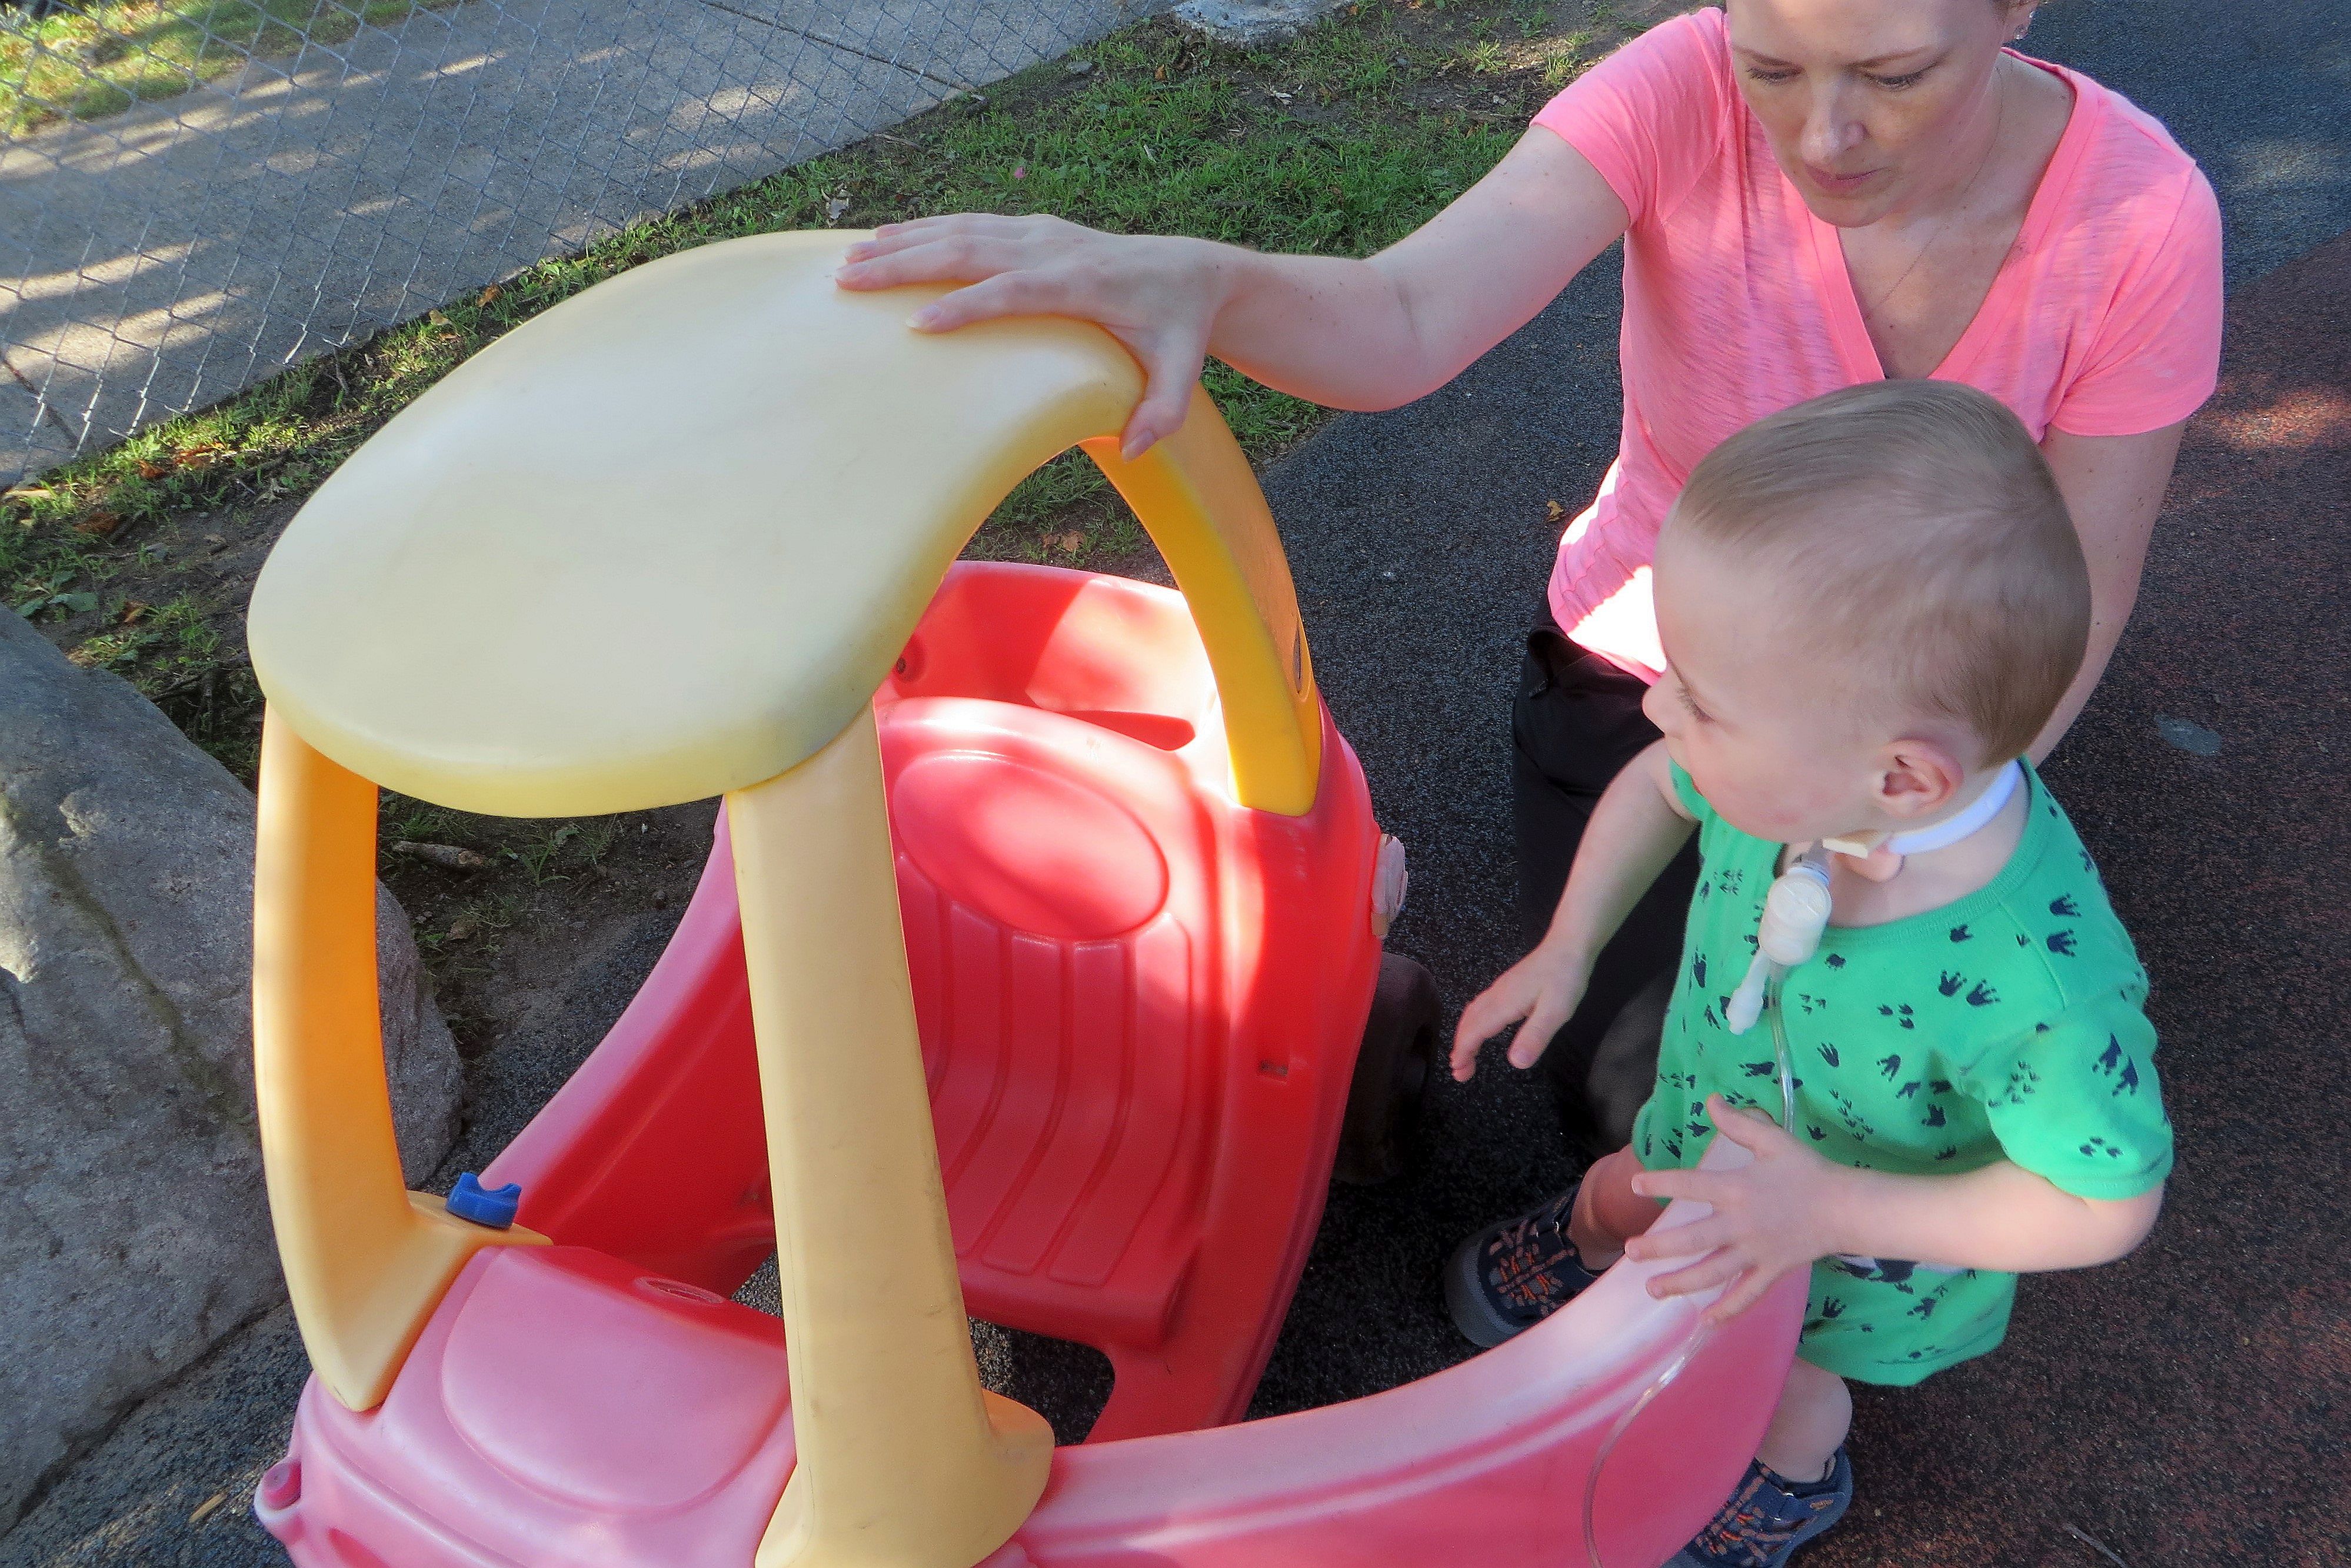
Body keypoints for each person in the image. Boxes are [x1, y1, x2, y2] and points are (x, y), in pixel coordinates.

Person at [834, 0, 2223, 1149]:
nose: (1822, 135)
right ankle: (1623, 1224)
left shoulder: (2141, 219)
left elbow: (2082, 588)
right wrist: (1210, 280)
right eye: (1773, 67)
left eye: (1897, 75)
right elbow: (1406, 313)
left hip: (1893, 713)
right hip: (1656, 659)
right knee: (1627, 1087)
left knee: (1860, 1094)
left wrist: (1916, 828)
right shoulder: (1679, 88)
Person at [1446, 379, 2172, 1565]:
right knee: (1630, 1185)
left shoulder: (2039, 988)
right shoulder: (1807, 768)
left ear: (1903, 780)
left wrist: (1826, 1210)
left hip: (1844, 1253)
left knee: (1779, 1381)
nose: (1659, 705)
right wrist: (1569, 946)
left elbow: (2108, 1203)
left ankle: (1791, 1479)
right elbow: (1658, 785)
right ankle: (1594, 1242)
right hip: (1707, 1117)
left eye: (1703, 699)